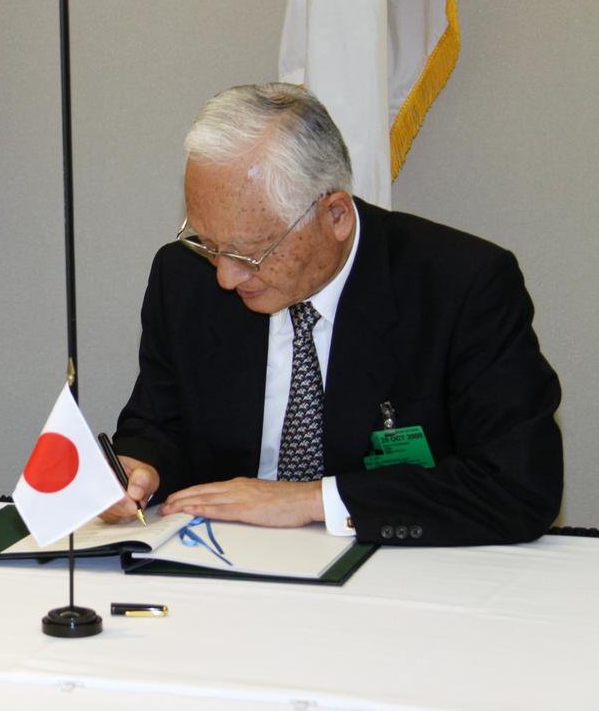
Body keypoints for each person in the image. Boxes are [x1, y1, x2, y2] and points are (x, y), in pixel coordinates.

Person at [105, 83, 562, 546]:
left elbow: (518, 486)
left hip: (398, 574)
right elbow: (159, 425)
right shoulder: (184, 277)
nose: (225, 276)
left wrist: (312, 501)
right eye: (208, 243)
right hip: (225, 560)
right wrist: (142, 466)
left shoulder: (460, 286)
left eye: (251, 252)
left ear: (336, 215)